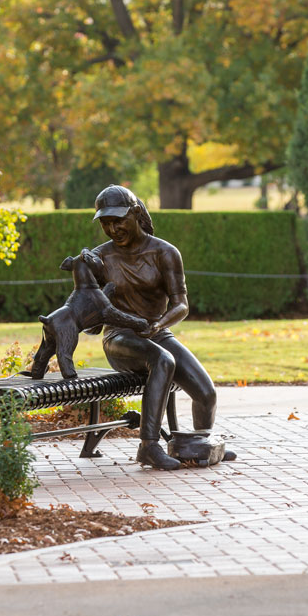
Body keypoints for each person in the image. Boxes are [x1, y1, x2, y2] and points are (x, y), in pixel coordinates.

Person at [91, 185, 233, 470]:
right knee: (161, 360)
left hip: (158, 333)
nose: (113, 229)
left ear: (137, 213)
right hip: (119, 338)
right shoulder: (99, 258)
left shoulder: (165, 253)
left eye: (119, 220)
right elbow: (88, 316)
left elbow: (181, 305)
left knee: (206, 394)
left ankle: (198, 445)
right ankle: (149, 446)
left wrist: (159, 324)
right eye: (106, 223)